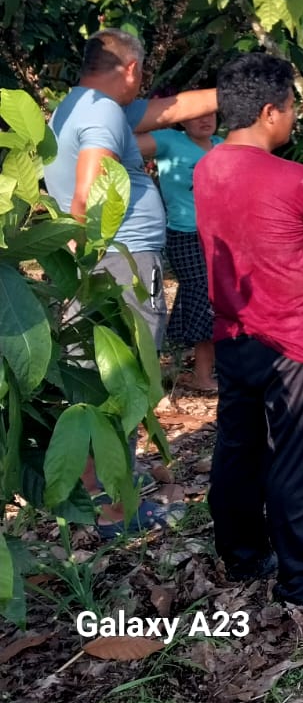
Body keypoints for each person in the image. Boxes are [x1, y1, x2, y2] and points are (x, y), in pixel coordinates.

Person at [192, 52, 303, 603]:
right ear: (270, 111)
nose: (294, 117)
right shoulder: (299, 179)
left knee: (239, 448)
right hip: (294, 341)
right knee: (300, 455)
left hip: (234, 335)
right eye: (291, 107)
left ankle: (243, 554)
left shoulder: (206, 169)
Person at [41, 28, 217, 536]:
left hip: (105, 265)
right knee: (124, 383)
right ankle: (115, 511)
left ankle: (99, 486)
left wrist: (244, 87)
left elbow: (172, 108)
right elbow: (89, 194)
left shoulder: (78, 105)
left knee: (96, 382)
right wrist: (96, 260)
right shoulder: (102, 113)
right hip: (120, 266)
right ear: (132, 69)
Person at [138, 105, 223, 392]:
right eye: (196, 114)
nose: (204, 118)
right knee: (203, 297)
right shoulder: (169, 141)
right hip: (185, 235)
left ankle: (186, 365)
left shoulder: (223, 146)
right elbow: (120, 139)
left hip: (221, 237)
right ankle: (201, 375)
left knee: (211, 299)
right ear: (181, 120)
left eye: (210, 113)